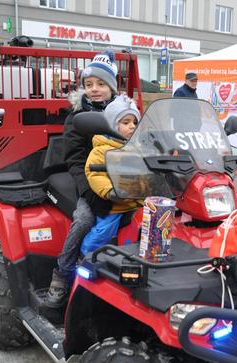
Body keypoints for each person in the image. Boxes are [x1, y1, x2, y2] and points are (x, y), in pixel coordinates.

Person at [48, 50, 119, 305]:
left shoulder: (124, 114)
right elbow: (75, 160)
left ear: (112, 86)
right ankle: (62, 272)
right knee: (85, 217)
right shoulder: (77, 117)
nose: (94, 90)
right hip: (90, 180)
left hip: (123, 179)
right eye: (89, 85)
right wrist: (89, 192)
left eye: (101, 84)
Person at [81, 95, 144, 253]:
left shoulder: (141, 147)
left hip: (140, 202)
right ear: (112, 125)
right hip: (117, 205)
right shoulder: (102, 150)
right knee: (102, 233)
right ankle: (86, 258)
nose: (132, 126)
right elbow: (93, 174)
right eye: (126, 122)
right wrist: (110, 191)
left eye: (135, 122)